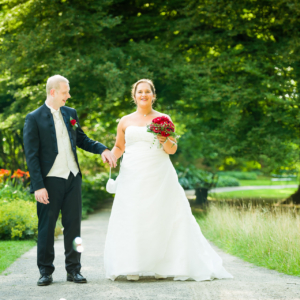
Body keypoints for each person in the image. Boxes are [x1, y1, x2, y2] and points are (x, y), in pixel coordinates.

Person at [104, 79, 233, 281]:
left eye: (147, 91)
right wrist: (111, 155)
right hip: (131, 175)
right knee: (132, 214)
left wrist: (164, 139)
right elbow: (120, 147)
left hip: (159, 174)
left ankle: (162, 266)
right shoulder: (125, 120)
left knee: (160, 215)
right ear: (134, 95)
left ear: (153, 96)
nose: (144, 95)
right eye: (140, 92)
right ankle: (132, 265)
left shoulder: (164, 118)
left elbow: (172, 149)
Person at [23, 75, 117, 286]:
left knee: (74, 228)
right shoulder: (34, 118)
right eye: (66, 92)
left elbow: (81, 139)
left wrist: (102, 149)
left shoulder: (70, 113)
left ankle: (74, 270)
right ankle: (45, 271)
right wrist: (38, 185)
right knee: (47, 228)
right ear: (54, 92)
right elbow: (31, 155)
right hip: (49, 182)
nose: (69, 95)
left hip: (72, 178)